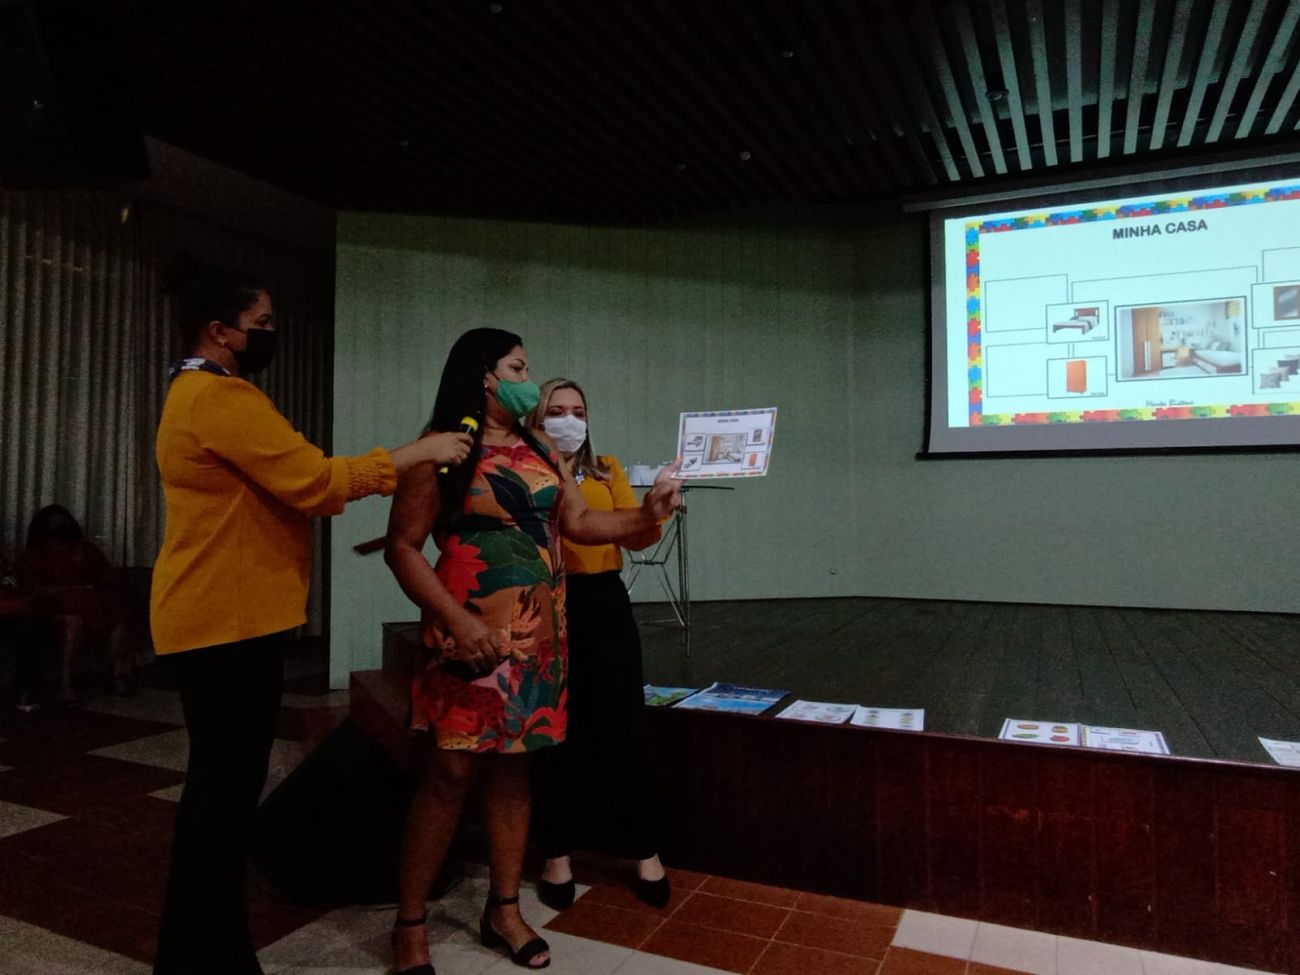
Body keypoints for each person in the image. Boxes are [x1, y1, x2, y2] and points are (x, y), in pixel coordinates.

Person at [150, 266, 473, 975]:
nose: (271, 333)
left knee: (218, 796)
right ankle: (207, 958)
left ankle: (200, 951)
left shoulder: (191, 392)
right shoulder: (220, 397)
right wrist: (419, 453)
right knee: (223, 801)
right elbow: (318, 482)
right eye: (261, 323)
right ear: (219, 331)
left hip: (216, 619)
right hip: (225, 624)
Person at [384, 329, 680, 974]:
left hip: (538, 637)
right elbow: (402, 547)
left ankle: (504, 909)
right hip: (465, 634)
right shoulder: (442, 448)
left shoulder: (540, 447)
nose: (528, 379)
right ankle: (409, 925)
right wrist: (455, 620)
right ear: (485, 377)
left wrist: (648, 513)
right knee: (449, 775)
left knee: (514, 772)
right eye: (518, 368)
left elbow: (580, 523)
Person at [527, 379, 670, 910]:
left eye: (578, 411)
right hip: (544, 601)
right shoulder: (524, 471)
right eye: (556, 410)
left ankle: (645, 849)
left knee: (624, 725)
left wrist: (655, 509)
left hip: (603, 601)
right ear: (536, 417)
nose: (569, 420)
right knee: (553, 734)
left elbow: (638, 536)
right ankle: (556, 853)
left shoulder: (606, 469)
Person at [16, 504, 132, 704]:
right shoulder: (35, 555)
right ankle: (66, 683)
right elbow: (31, 587)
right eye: (57, 524)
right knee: (73, 622)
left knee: (118, 621)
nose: (64, 527)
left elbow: (105, 578)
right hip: (58, 606)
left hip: (92, 603)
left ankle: (117, 675)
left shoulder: (87, 550)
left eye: (66, 522)